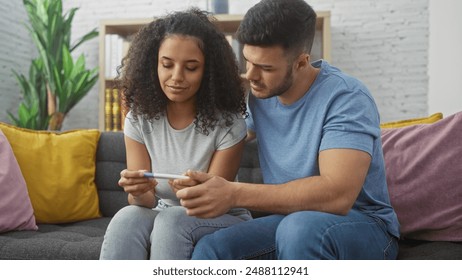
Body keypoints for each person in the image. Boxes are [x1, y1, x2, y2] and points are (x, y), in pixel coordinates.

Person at [173, 0, 400, 260]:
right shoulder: (260, 95)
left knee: (299, 229)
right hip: (290, 221)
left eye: (266, 68)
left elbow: (338, 195)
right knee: (212, 249)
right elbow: (222, 138)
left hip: (362, 225)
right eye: (247, 61)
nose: (251, 75)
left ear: (302, 62)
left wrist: (234, 193)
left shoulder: (347, 97)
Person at [99, 8, 251, 260]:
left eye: (191, 67)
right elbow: (144, 202)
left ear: (208, 71)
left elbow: (210, 201)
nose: (176, 77)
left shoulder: (229, 123)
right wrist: (137, 191)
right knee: (127, 217)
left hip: (220, 217)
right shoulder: (138, 119)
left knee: (172, 220)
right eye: (167, 65)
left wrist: (191, 190)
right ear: (153, 64)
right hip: (164, 213)